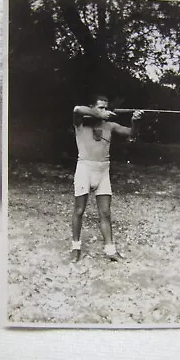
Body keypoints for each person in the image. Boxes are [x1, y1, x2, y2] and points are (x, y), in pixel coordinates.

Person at [71, 94, 143, 262]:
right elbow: (76, 109)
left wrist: (135, 120)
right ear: (93, 108)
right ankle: (75, 247)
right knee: (79, 211)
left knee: (105, 213)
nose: (104, 110)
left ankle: (110, 250)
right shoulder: (81, 123)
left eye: (106, 107)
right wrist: (98, 114)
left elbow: (131, 132)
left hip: (103, 171)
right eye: (100, 107)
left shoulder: (110, 126)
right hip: (84, 169)